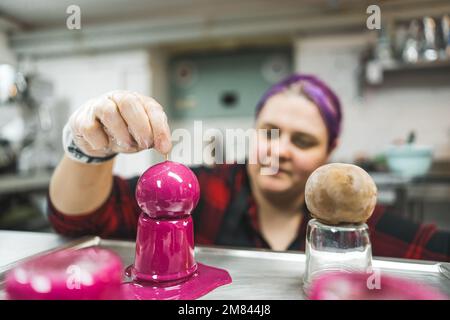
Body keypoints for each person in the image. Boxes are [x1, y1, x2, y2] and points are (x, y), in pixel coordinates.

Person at [48, 74, 450, 262]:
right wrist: (88, 148)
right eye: (270, 132)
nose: (282, 150)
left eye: (304, 140)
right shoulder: (204, 188)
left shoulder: (353, 221)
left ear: (331, 150)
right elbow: (80, 220)